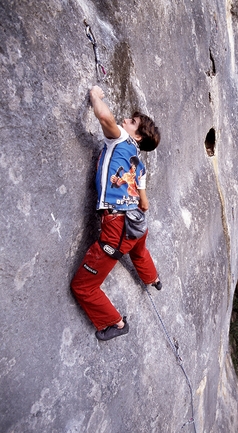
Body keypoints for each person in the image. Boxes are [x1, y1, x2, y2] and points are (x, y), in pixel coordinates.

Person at [71, 85, 162, 341]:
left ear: (138, 136)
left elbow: (105, 118)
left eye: (131, 122)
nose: (125, 120)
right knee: (139, 249)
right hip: (136, 222)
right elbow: (145, 204)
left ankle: (116, 324)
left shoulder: (121, 138)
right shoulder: (139, 164)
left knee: (83, 286)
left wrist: (95, 96)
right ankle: (152, 279)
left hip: (117, 227)